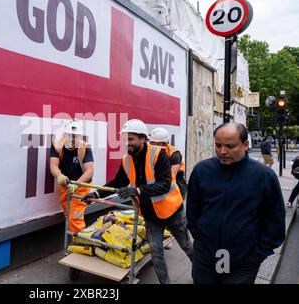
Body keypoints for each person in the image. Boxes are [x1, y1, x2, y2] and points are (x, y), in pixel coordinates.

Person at [82, 119, 193, 284]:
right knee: (156, 252)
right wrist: (97, 194)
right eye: (125, 139)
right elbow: (118, 181)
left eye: (131, 139)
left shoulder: (158, 154)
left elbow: (164, 183)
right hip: (150, 215)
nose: (128, 143)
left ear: (142, 138)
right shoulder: (127, 159)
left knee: (187, 246)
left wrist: (138, 190)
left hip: (172, 211)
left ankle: (203, 273)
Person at [187, 123, 285, 284]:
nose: (222, 151)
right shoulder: (202, 170)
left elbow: (275, 220)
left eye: (230, 146)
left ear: (245, 145)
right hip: (206, 258)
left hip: (243, 262)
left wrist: (258, 254)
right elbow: (192, 211)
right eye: (218, 145)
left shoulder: (264, 176)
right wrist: (200, 239)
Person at [50, 119, 94, 233]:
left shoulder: (85, 147)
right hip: (65, 185)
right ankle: (77, 241)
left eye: (76, 136)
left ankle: (81, 243)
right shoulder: (57, 145)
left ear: (80, 136)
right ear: (65, 134)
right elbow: (53, 166)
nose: (73, 139)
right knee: (68, 215)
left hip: (81, 186)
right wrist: (59, 175)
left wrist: (76, 185)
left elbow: (89, 171)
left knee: (75, 217)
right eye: (70, 135)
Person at [149, 127, 187, 199]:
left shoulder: (174, 154)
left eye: (155, 143)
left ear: (163, 144)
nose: (152, 145)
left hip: (176, 182)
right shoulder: (150, 150)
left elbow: (171, 177)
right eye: (151, 143)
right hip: (159, 181)